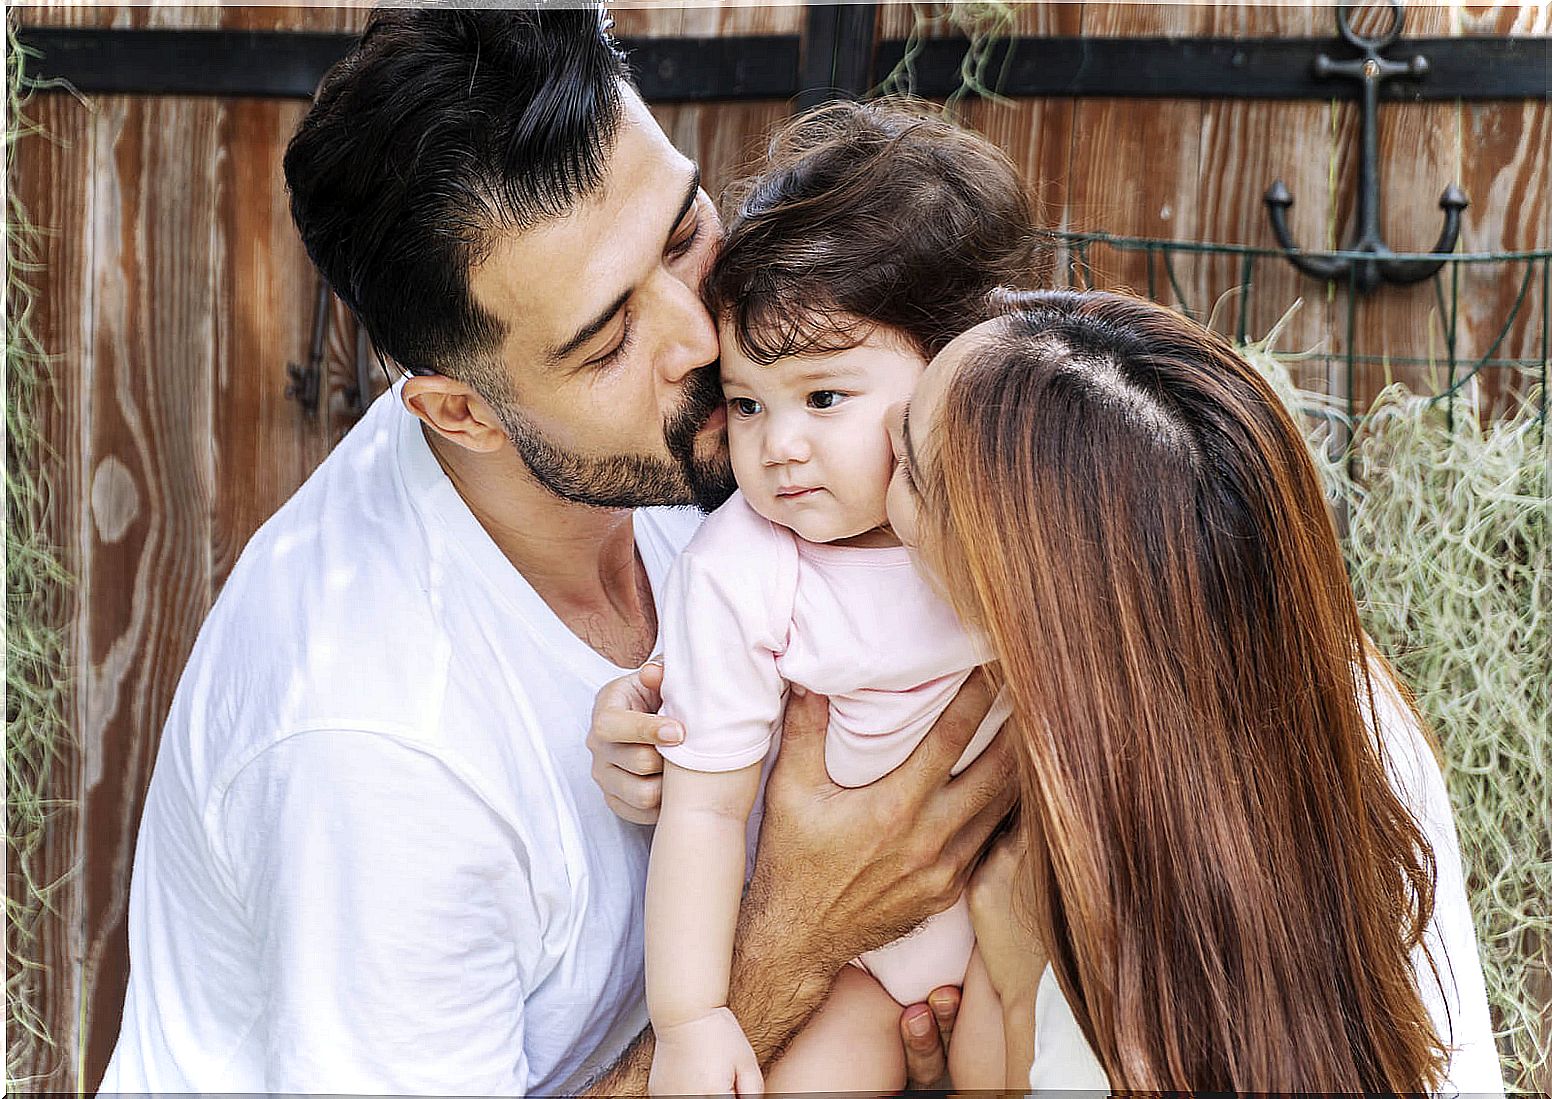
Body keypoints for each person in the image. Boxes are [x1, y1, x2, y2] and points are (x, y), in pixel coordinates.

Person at [95, 9, 1013, 1094]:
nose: (702, 339)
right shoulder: (371, 746)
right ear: (460, 411)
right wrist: (792, 949)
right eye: (609, 339)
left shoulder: (721, 438)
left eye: (681, 235)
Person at [883, 288, 1506, 1092]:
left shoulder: (1113, 956)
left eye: (908, 466)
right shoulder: (1348, 701)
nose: (875, 456)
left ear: (1009, 586)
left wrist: (1015, 993)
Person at [639, 101, 1029, 1096]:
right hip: (846, 964)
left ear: (953, 365)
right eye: (747, 403)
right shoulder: (742, 571)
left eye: (824, 397)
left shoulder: (1020, 516)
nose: (779, 445)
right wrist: (690, 1019)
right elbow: (706, 815)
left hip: (1010, 923)